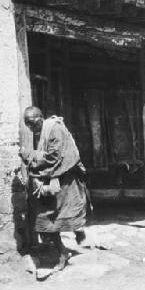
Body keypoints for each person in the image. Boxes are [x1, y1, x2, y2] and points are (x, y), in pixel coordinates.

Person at [19, 106, 91, 271]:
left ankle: (74, 236)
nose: (31, 127)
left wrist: (29, 156)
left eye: (32, 123)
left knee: (64, 213)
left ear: (41, 117)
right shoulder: (42, 132)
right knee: (46, 219)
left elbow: (53, 158)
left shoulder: (54, 130)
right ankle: (62, 251)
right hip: (55, 178)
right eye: (27, 125)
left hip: (66, 179)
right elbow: (46, 157)